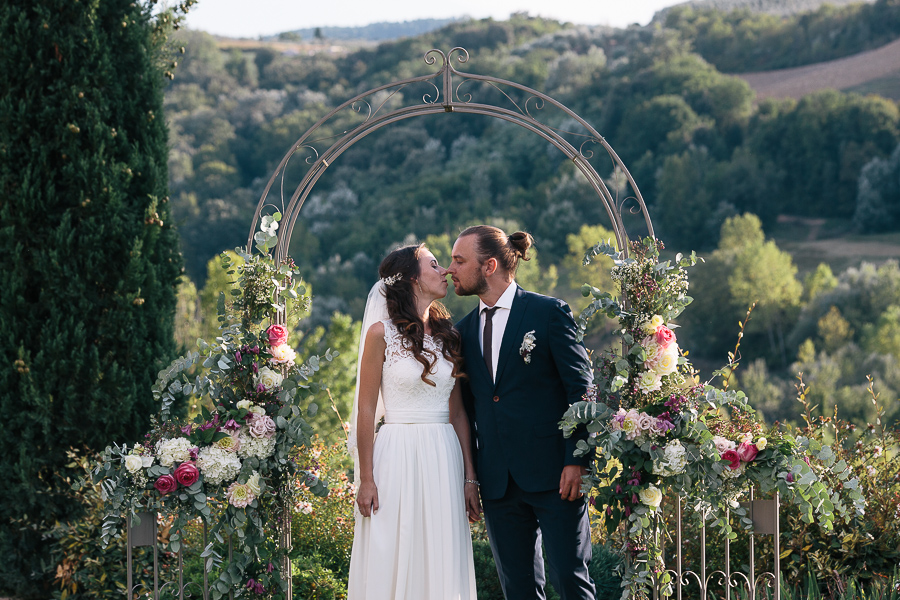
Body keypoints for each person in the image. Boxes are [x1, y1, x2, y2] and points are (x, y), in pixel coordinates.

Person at [447, 225, 596, 600]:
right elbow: (466, 409)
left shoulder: (548, 313)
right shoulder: (461, 332)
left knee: (571, 581)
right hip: (498, 483)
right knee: (519, 591)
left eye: (459, 260)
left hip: (556, 474)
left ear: (489, 265)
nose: (450, 269)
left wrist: (577, 459)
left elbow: (582, 390)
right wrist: (472, 478)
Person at [347, 243, 481, 600]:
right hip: (397, 454)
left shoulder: (448, 336)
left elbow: (457, 413)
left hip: (443, 456)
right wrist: (366, 478)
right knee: (393, 547)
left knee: (441, 551)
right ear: (411, 278)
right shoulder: (380, 334)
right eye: (434, 265)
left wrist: (470, 477)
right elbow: (365, 410)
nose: (445, 271)